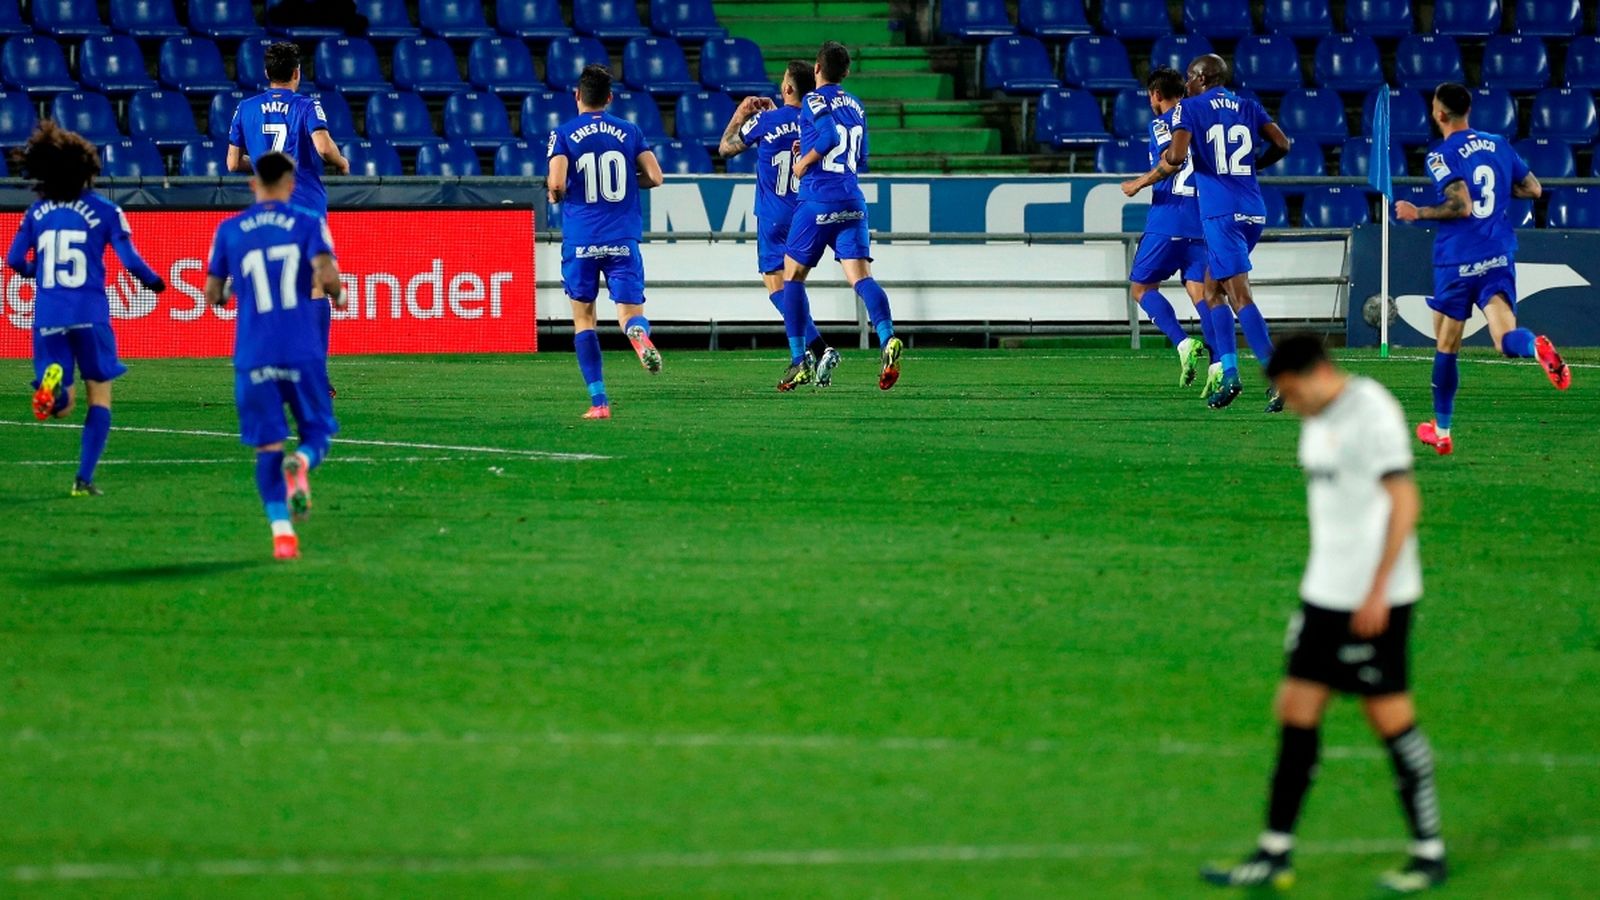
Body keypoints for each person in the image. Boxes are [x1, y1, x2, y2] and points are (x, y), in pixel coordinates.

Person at [1202, 335, 1445, 894]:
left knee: (1389, 717)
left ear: (1316, 374)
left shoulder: (1372, 411)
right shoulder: (1314, 419)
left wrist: (1378, 590)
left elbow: (1405, 502)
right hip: (1325, 594)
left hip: (1376, 600)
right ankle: (1273, 852)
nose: (1289, 405)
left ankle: (1429, 852)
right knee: (1295, 708)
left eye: (1290, 392)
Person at [1394, 82, 1569, 456]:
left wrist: (1417, 212)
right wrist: (1502, 188)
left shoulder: (1441, 156)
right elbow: (1534, 189)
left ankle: (1442, 431)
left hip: (1458, 258)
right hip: (1498, 254)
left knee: (1446, 346)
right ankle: (1535, 347)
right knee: (1505, 339)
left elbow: (1461, 206)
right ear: (1468, 110)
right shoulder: (1498, 144)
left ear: (1440, 114)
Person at [7, 122, 166, 496]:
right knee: (99, 395)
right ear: (87, 170)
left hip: (48, 314)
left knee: (62, 406)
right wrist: (155, 282)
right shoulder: (106, 210)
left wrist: (36, 272)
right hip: (90, 314)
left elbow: (13, 259)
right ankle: (84, 479)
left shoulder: (36, 212)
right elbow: (131, 261)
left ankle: (53, 383)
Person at [205, 152, 344, 561]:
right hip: (302, 350)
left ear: (253, 184)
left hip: (254, 355)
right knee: (317, 434)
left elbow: (213, 293)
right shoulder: (308, 222)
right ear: (290, 184)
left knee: (267, 448)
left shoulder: (229, 230)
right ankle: (301, 461)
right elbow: (327, 274)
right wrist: (338, 293)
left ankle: (282, 534)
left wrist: (228, 295)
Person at [1162, 54, 1292, 411]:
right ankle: (1230, 374)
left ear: (1203, 78)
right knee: (1211, 289)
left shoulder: (1190, 108)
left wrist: (1172, 157)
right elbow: (1283, 144)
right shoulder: (1248, 105)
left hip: (1222, 213)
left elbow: (1176, 156)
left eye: (1190, 77)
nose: (1186, 84)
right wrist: (1254, 165)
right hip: (1253, 209)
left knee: (1239, 295)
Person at [228, 41, 350, 396]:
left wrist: (263, 164)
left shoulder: (245, 108)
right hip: (304, 207)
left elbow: (232, 163)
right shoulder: (306, 105)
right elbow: (323, 147)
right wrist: (342, 162)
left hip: (266, 212)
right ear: (297, 72)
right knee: (315, 286)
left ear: (267, 73)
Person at [780, 41, 902, 392]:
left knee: (792, 277)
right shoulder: (857, 105)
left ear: (817, 69)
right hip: (852, 200)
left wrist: (804, 162)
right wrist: (810, 147)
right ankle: (887, 337)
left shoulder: (813, 99)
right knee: (862, 278)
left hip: (817, 199)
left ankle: (799, 360)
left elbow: (830, 137)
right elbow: (858, 157)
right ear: (846, 72)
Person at [546, 64, 665, 419]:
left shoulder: (563, 134)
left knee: (584, 320)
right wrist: (628, 179)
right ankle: (638, 335)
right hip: (622, 237)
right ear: (609, 98)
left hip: (582, 239)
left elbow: (557, 184)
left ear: (577, 96)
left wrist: (556, 194)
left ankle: (599, 402)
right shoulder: (630, 131)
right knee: (629, 314)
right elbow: (655, 177)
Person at [719, 60, 840, 387]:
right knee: (795, 285)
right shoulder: (818, 120)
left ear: (786, 88)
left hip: (774, 217)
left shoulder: (765, 121)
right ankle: (812, 353)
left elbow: (726, 149)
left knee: (777, 287)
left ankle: (813, 352)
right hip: (807, 213)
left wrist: (741, 114)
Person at [1119, 66, 1226, 392]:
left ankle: (1182, 342)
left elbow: (1171, 160)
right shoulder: (1206, 121)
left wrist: (1139, 183)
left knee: (1141, 288)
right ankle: (1218, 365)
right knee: (1202, 294)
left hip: (1169, 220)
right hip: (1203, 222)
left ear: (1155, 95)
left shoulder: (1163, 123)